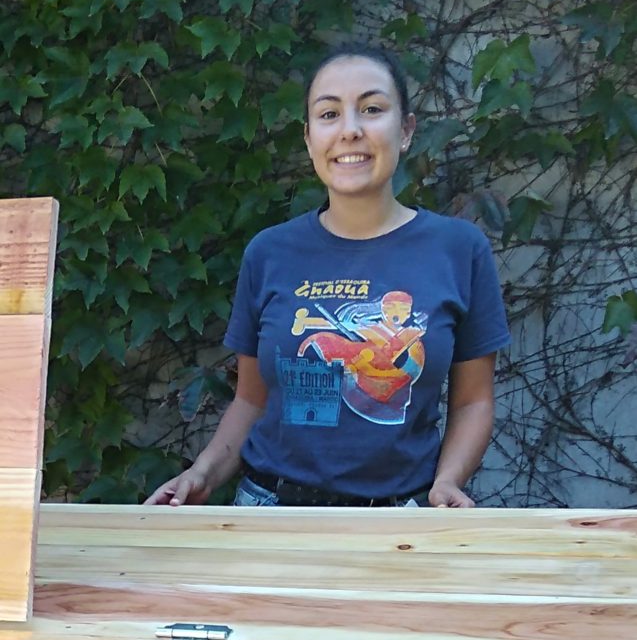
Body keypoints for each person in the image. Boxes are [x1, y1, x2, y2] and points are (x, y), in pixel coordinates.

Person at [145, 43, 510, 509]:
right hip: (269, 512)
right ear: (309, 138)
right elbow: (251, 401)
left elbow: (472, 402)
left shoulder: (459, 250)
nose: (350, 130)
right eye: (329, 114)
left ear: (406, 131)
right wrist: (202, 473)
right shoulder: (269, 253)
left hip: (402, 518)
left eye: (372, 109)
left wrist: (448, 481)